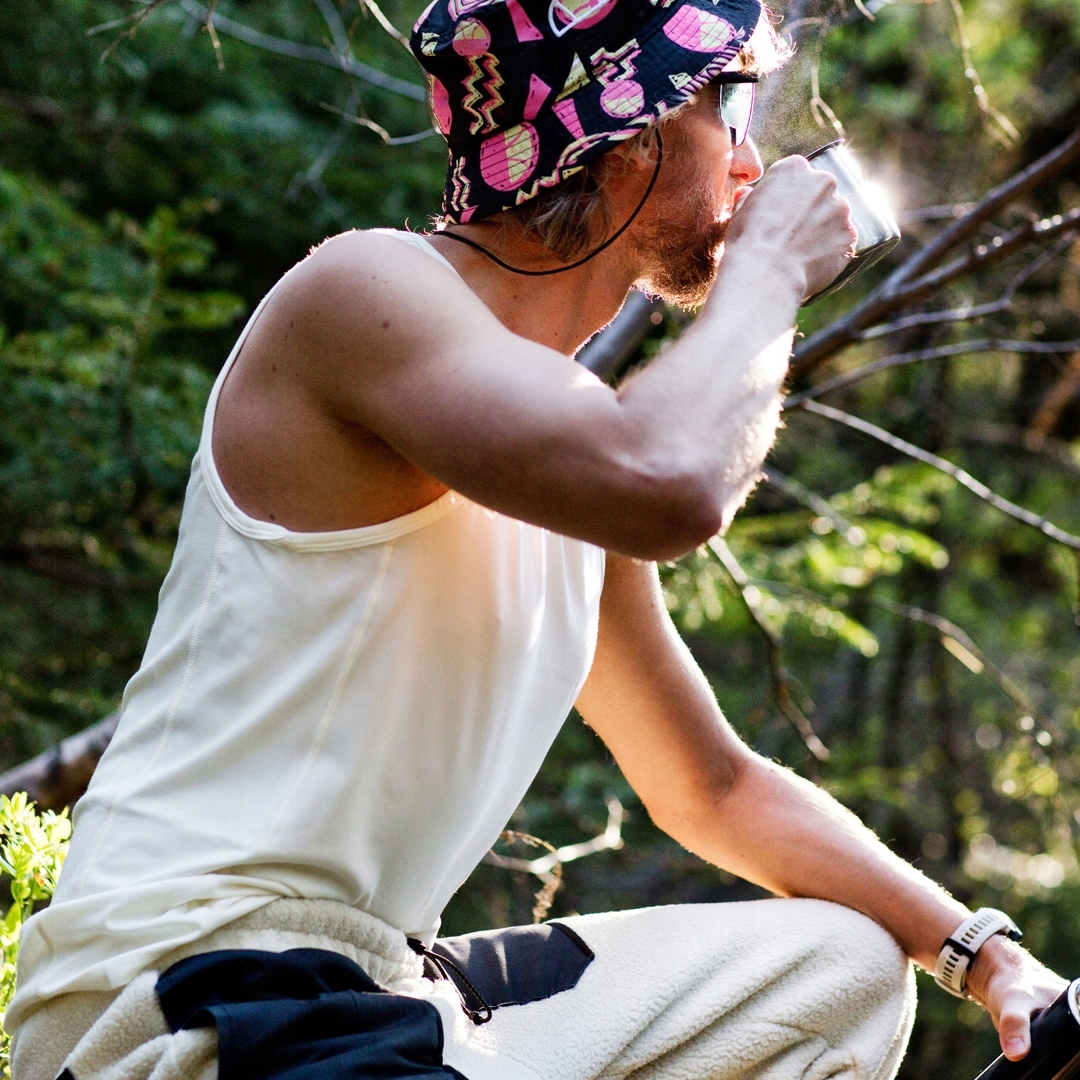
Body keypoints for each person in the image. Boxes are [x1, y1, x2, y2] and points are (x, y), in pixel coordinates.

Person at [8, 0, 1065, 1076]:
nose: (751, 166)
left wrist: (984, 959)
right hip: (178, 994)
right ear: (629, 123)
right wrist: (770, 274)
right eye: (730, 106)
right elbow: (673, 486)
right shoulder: (364, 291)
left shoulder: (564, 441)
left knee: (837, 971)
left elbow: (713, 788)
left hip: (368, 1006)